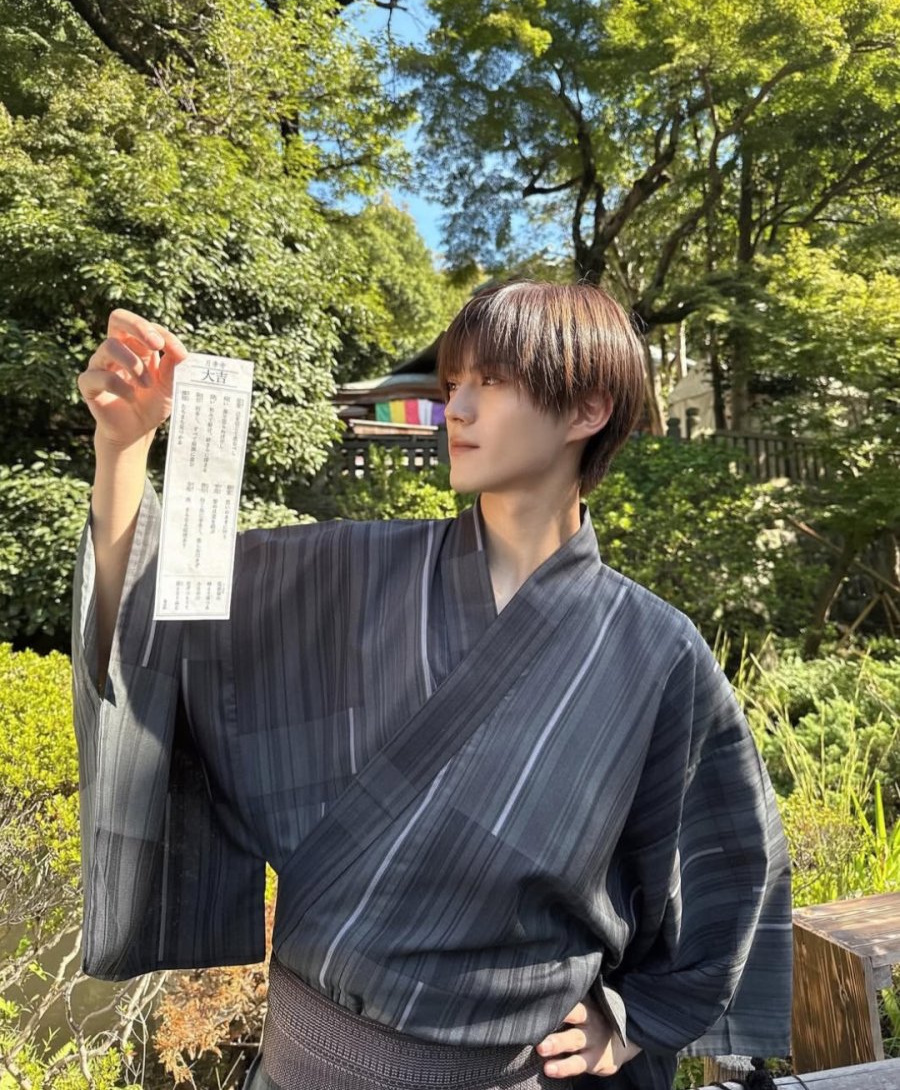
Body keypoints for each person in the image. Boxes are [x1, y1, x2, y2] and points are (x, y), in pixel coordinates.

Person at [73, 282, 792, 1090]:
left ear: (588, 408)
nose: (458, 408)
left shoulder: (655, 650)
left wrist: (635, 1020)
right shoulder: (351, 572)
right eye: (454, 384)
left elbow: (732, 858)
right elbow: (156, 627)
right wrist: (122, 447)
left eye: (492, 382)